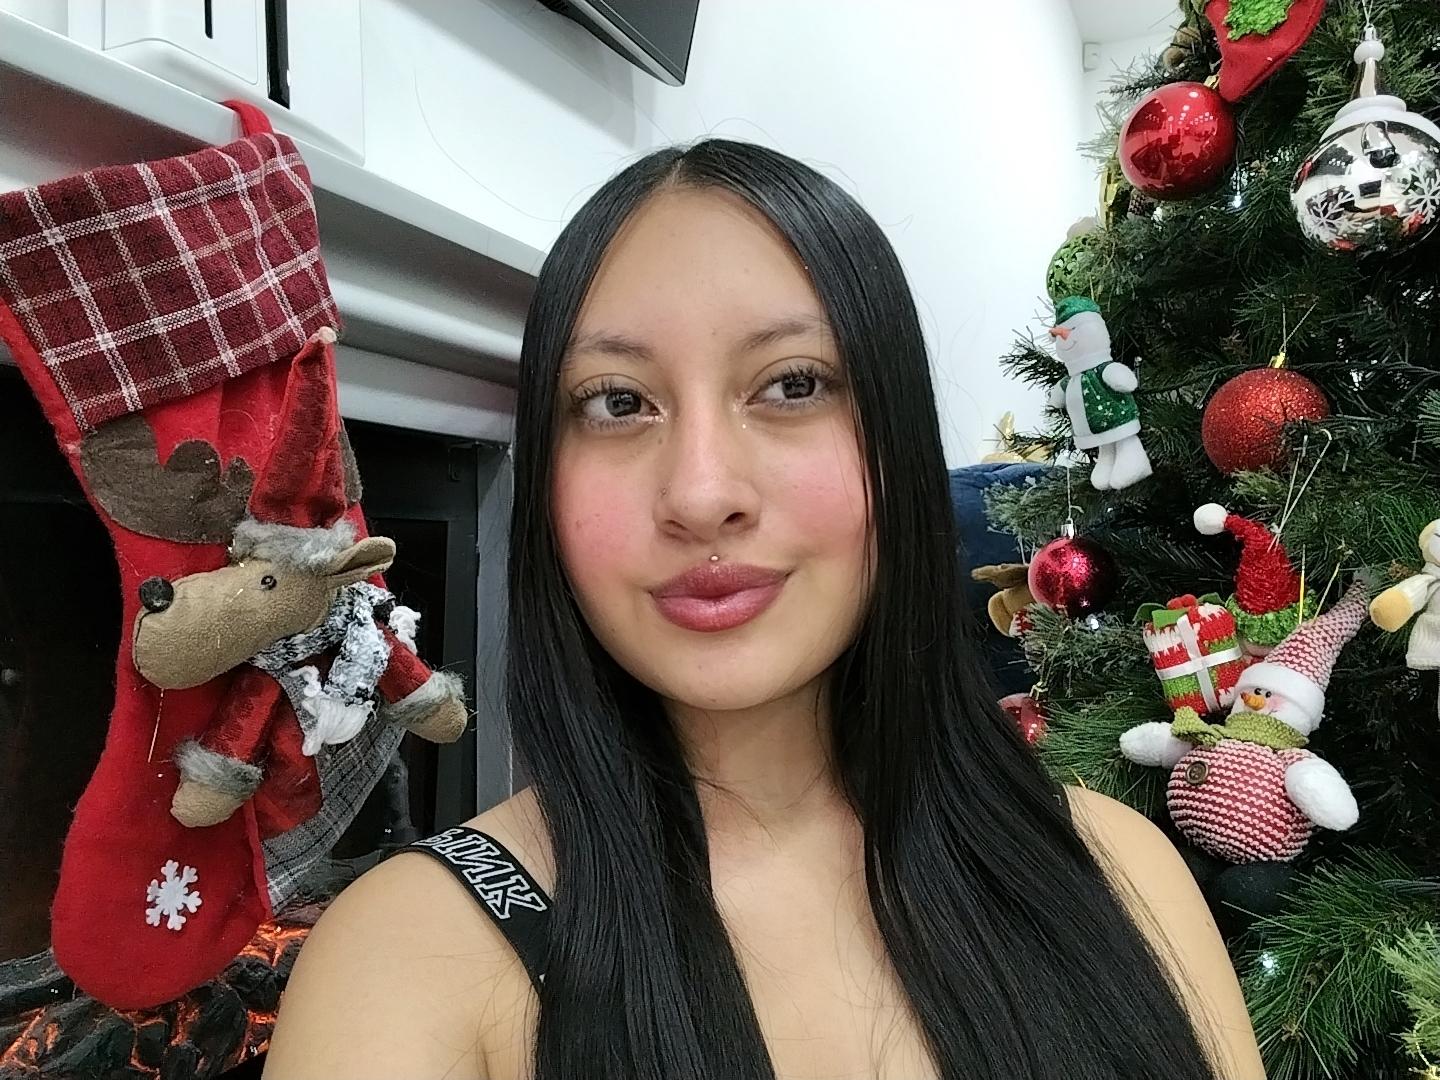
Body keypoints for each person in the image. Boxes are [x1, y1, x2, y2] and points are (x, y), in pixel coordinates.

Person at [263, 140, 1265, 1080]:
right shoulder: (405, 958)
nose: (702, 494)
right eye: (618, 402)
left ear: (897, 445)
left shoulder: (1118, 868)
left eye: (791, 385)